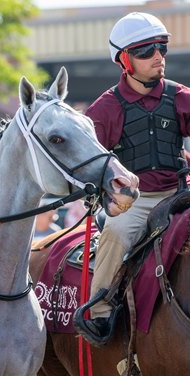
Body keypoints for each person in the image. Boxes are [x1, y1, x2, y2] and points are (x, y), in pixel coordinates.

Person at [74, 12, 190, 346]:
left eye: (162, 48)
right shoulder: (105, 109)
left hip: (180, 191)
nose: (158, 56)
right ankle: (98, 312)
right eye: (146, 51)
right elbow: (85, 160)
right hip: (136, 202)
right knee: (117, 233)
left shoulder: (180, 95)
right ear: (124, 60)